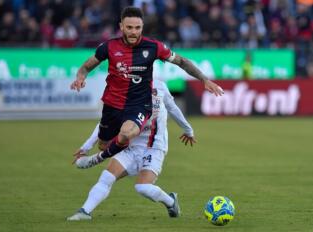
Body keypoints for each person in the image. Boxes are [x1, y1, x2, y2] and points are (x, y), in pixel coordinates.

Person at [70, 6, 223, 167]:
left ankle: (97, 160)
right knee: (104, 144)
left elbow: (182, 61)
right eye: (129, 27)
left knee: (125, 134)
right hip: (112, 104)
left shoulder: (154, 47)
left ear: (142, 27)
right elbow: (86, 67)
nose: (133, 32)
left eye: (137, 28)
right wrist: (80, 77)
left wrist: (204, 79)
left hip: (139, 104)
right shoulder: (108, 47)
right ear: (121, 26)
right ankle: (125, 159)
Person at [67, 79, 195, 220]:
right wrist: (86, 146)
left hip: (154, 147)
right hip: (132, 146)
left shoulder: (159, 86)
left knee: (142, 188)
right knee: (106, 177)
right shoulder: (125, 90)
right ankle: (84, 212)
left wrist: (188, 130)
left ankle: (171, 201)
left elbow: (172, 108)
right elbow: (106, 122)